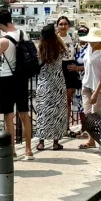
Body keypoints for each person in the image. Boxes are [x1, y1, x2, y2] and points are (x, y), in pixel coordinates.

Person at [0, 6, 34, 160]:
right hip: (22, 77)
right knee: (24, 114)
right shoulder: (24, 34)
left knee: (8, 116)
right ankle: (29, 150)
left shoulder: (3, 41)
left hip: (7, 77)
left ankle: (11, 151)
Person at [34, 22, 69, 151]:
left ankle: (41, 142)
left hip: (43, 83)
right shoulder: (59, 48)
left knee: (42, 112)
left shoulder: (41, 49)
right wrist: (58, 38)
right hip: (58, 82)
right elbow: (67, 54)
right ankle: (55, 142)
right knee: (58, 112)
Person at [79, 30, 101, 150]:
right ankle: (91, 139)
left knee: (96, 115)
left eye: (93, 40)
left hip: (98, 87)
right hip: (86, 84)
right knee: (87, 114)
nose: (90, 42)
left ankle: (99, 139)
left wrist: (96, 93)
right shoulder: (88, 48)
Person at [57, 15, 80, 133]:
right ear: (57, 26)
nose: (63, 26)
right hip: (59, 69)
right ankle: (58, 125)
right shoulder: (55, 39)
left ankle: (66, 126)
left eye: (65, 24)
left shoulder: (72, 39)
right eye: (61, 24)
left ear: (68, 26)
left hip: (70, 69)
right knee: (58, 100)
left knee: (68, 99)